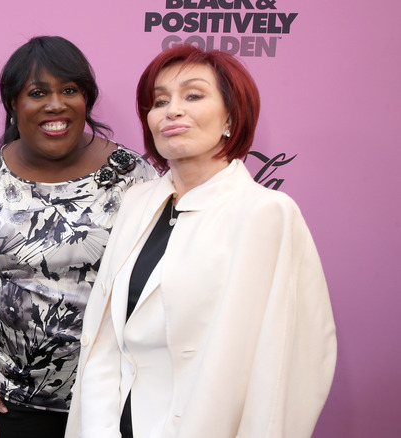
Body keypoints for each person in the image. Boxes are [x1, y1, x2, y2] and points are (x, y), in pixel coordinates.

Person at [66, 45, 337, 438]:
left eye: (193, 95)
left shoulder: (265, 213)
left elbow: (290, 367)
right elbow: (106, 336)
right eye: (160, 101)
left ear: (230, 115)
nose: (172, 110)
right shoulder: (138, 202)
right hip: (113, 422)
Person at [0, 35, 157, 438]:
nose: (55, 104)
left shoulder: (131, 175)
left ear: (86, 100)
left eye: (69, 90)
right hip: (15, 398)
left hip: (114, 393)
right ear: (13, 104)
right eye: (37, 92)